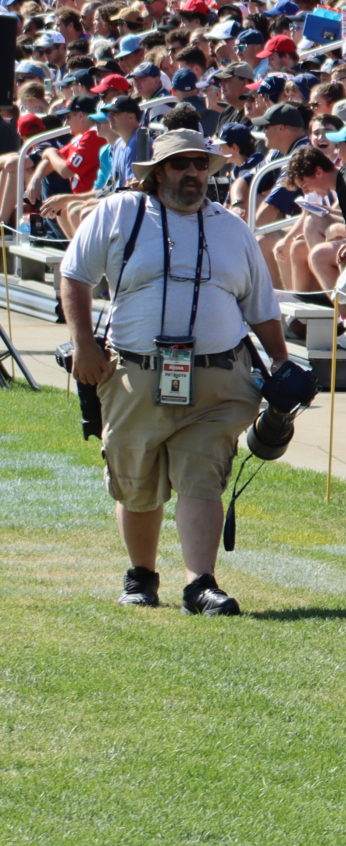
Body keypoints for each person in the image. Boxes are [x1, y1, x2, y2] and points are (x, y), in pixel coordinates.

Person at [60, 130, 297, 616]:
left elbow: (260, 304)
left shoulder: (232, 227)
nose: (193, 174)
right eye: (180, 165)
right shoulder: (118, 212)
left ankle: (200, 584)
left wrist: (281, 360)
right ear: (158, 172)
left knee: (202, 475)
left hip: (218, 378)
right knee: (135, 476)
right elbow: (75, 275)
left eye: (200, 165)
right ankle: (141, 575)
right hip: (135, 370)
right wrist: (84, 345)